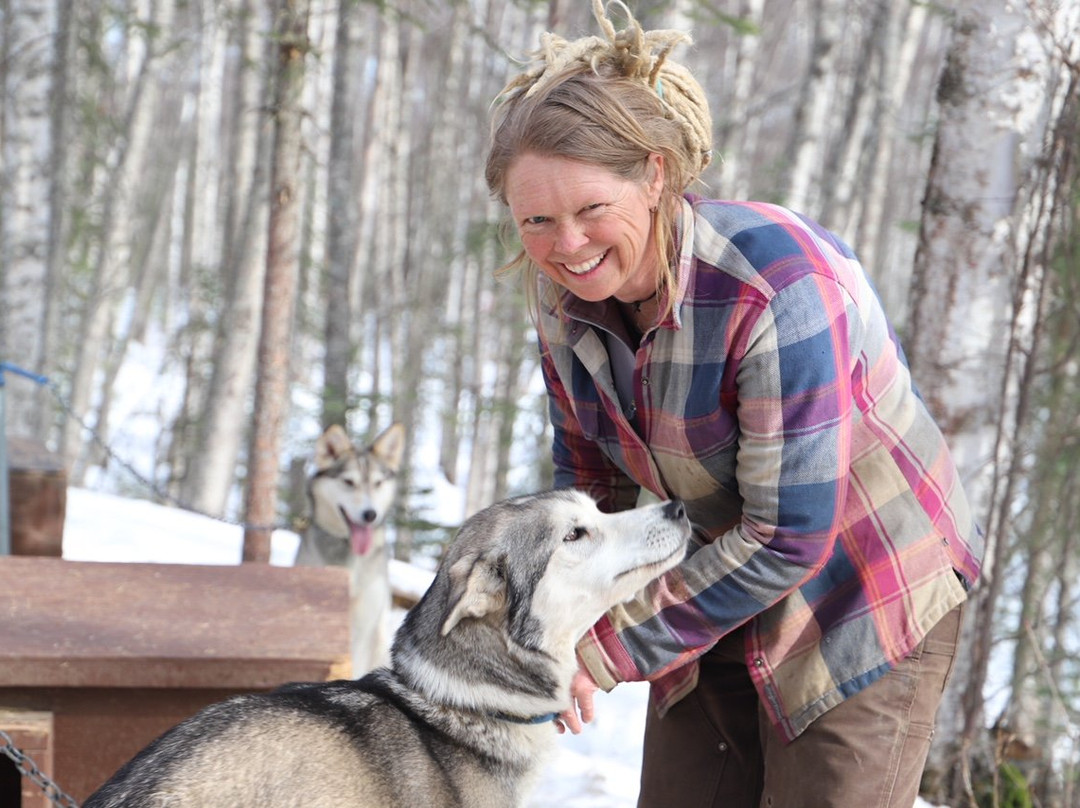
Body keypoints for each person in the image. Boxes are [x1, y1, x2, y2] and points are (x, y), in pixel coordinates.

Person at [483, 2, 985, 807]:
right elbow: (587, 484)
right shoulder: (562, 296)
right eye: (537, 221)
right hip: (716, 565)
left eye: (589, 211)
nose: (565, 245)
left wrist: (605, 650)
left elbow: (790, 537)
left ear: (654, 175)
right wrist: (551, 625)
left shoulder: (777, 288)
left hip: (859, 588)